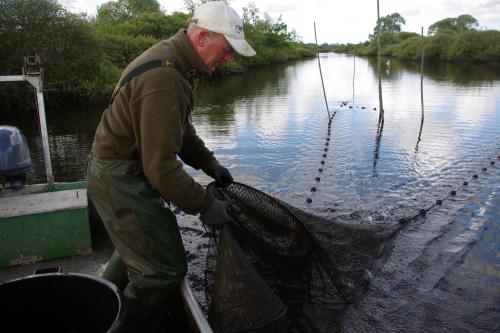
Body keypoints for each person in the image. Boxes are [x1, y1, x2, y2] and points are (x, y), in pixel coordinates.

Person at [86, 1, 256, 331]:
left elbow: (179, 128)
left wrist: (209, 164)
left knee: (133, 249)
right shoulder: (166, 76)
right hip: (118, 177)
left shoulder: (179, 64)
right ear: (204, 37)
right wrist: (205, 205)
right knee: (163, 270)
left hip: (121, 171)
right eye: (226, 49)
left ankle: (94, 307)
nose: (229, 58)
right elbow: (161, 167)